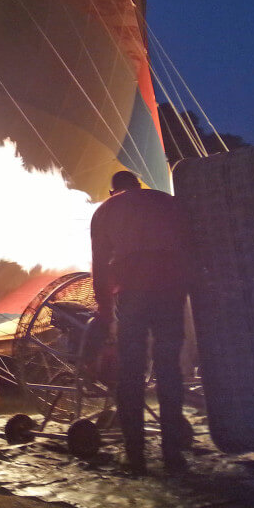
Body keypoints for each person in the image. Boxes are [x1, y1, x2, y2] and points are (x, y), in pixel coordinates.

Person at [90, 170, 194, 475]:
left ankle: (135, 455)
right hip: (170, 290)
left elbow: (99, 263)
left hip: (132, 294)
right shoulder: (167, 202)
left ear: (113, 191)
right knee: (169, 370)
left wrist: (105, 308)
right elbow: (190, 247)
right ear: (138, 185)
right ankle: (173, 454)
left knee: (131, 372)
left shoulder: (107, 210)